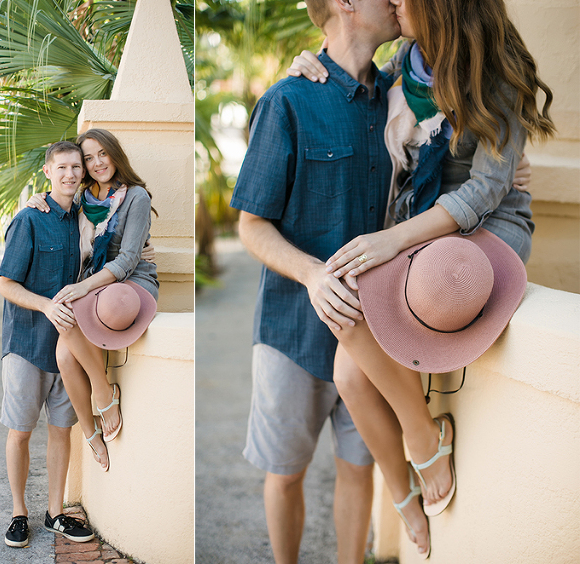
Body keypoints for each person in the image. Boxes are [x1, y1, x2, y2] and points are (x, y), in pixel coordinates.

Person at [287, 0, 555, 557]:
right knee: (349, 368)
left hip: (482, 234)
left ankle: (422, 439)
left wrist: (392, 240)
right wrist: (309, 65)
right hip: (418, 231)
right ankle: (408, 478)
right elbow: (354, 84)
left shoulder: (494, 78)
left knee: (370, 302)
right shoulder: (403, 66)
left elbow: (485, 191)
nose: (393, 3)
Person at [229, 2, 404, 563]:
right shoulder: (288, 100)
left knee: (359, 470)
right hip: (292, 333)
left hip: (377, 337)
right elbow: (251, 224)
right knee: (285, 475)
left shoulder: (402, 95)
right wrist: (311, 273)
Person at [26, 128, 158, 473]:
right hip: (91, 282)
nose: (97, 162)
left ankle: (103, 392)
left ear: (115, 153)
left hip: (127, 282)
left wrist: (82, 289)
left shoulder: (136, 197)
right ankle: (90, 431)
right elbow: (53, 206)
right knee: (63, 354)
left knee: (72, 309)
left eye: (103, 153)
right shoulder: (83, 199)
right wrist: (33, 199)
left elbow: (129, 259)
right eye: (88, 158)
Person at [0, 141, 95, 548]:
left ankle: (54, 512)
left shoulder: (89, 218)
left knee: (61, 431)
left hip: (70, 349)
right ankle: (19, 512)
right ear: (48, 172)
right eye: (62, 167)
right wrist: (45, 305)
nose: (70, 174)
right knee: (21, 431)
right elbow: (5, 283)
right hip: (26, 344)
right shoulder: (30, 219)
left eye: (76, 167)